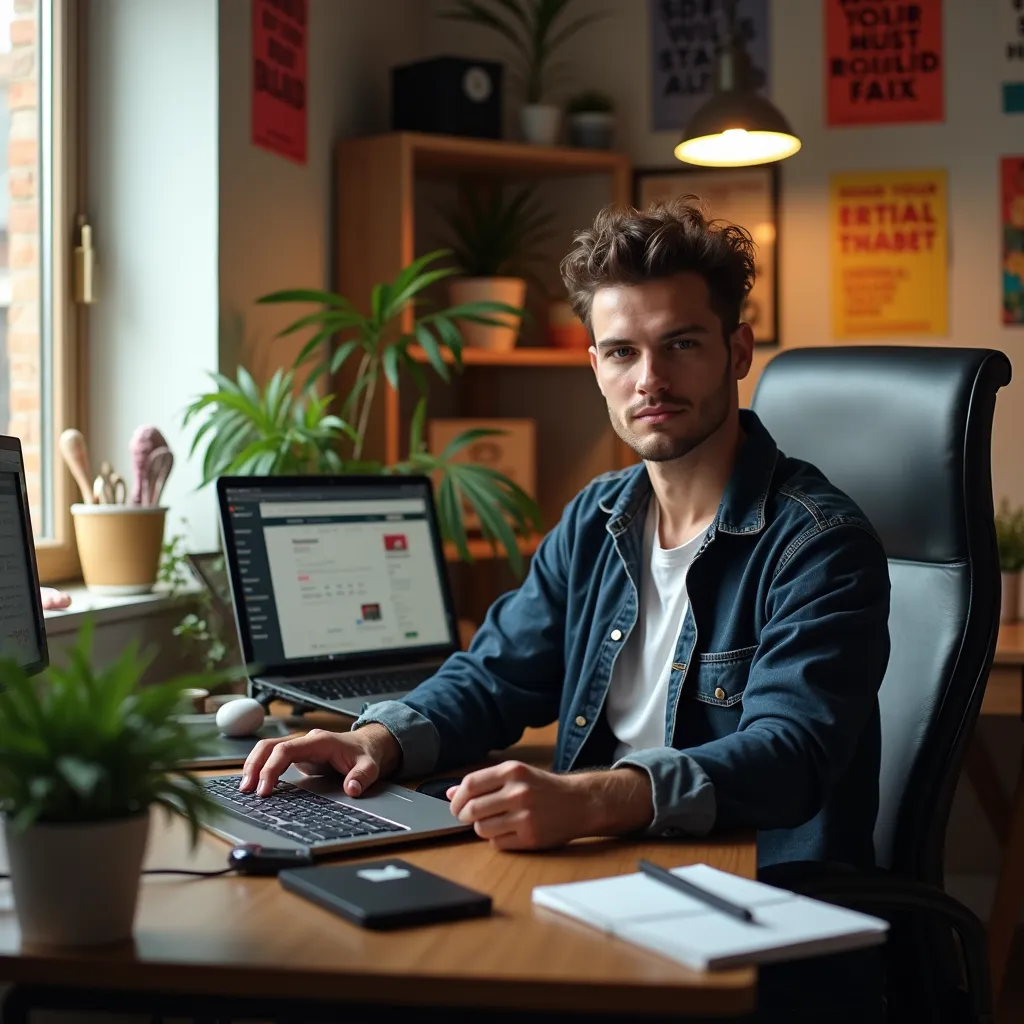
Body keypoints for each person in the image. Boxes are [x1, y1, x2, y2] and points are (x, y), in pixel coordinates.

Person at [241, 199, 891, 1018]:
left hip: (758, 903)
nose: (648, 379)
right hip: (606, 872)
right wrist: (375, 740)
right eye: (622, 352)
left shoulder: (818, 542)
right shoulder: (597, 517)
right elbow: (495, 675)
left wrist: (588, 798)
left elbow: (790, 752)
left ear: (737, 351)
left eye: (680, 344)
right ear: (595, 368)